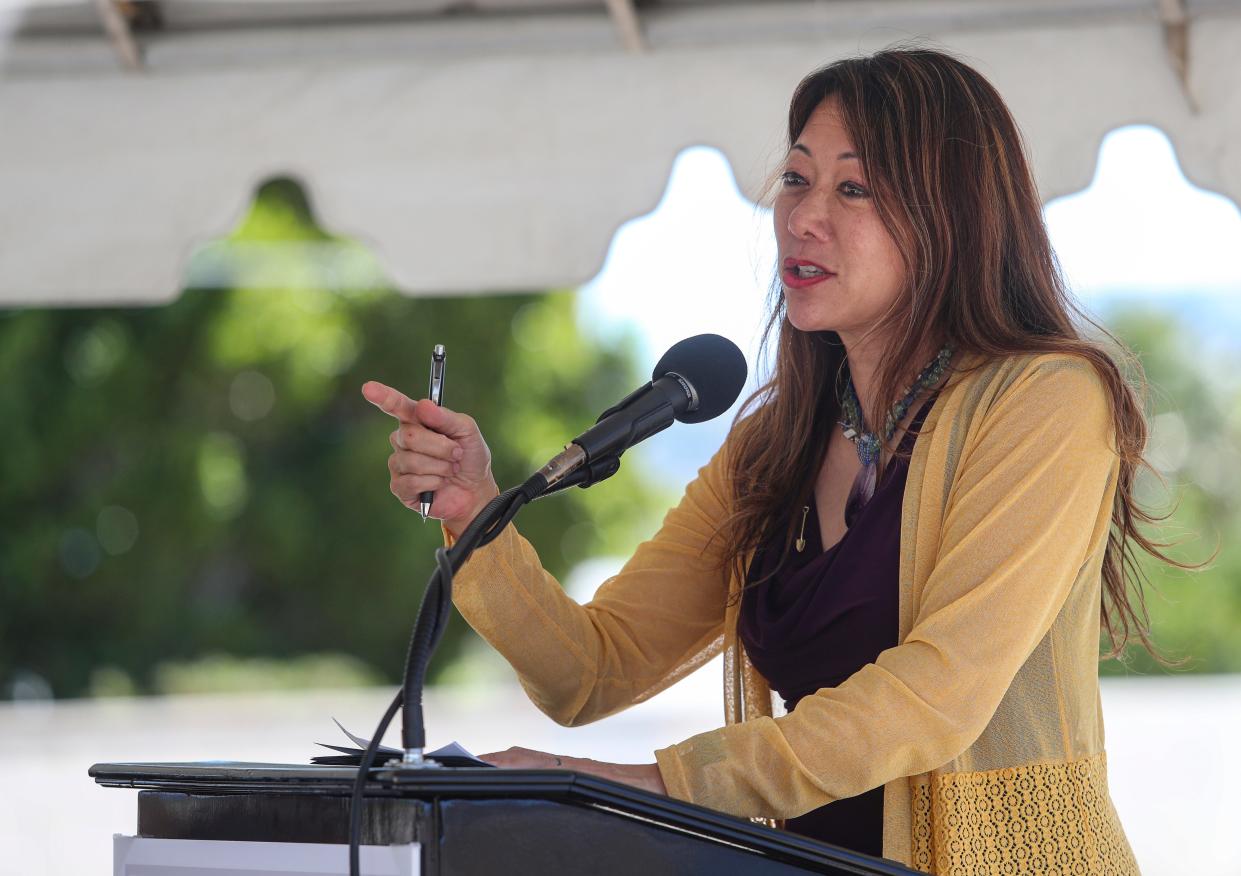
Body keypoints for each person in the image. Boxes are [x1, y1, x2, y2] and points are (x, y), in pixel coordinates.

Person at [359, 48, 1187, 874]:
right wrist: (474, 511)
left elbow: (936, 697)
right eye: (795, 180)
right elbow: (590, 671)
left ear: (952, 216)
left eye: (852, 189)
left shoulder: (1045, 400)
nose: (802, 217)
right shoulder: (774, 442)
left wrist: (644, 783)